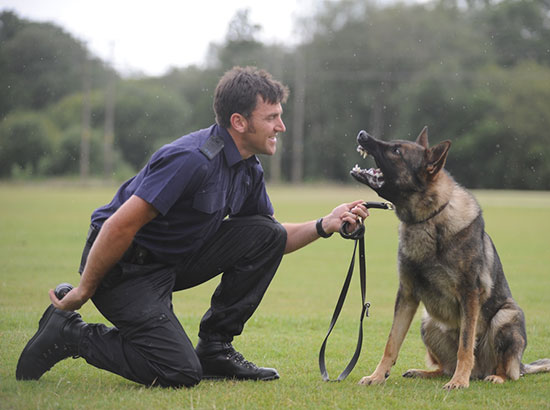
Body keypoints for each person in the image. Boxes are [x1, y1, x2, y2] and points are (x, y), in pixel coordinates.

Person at [16, 66, 369, 388]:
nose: (281, 126)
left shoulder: (248, 167)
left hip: (171, 262)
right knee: (179, 372)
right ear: (239, 122)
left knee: (267, 232)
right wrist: (83, 290)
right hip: (124, 267)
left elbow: (272, 239)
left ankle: (215, 349)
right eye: (272, 117)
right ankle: (70, 333)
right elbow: (117, 226)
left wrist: (327, 223)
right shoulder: (191, 159)